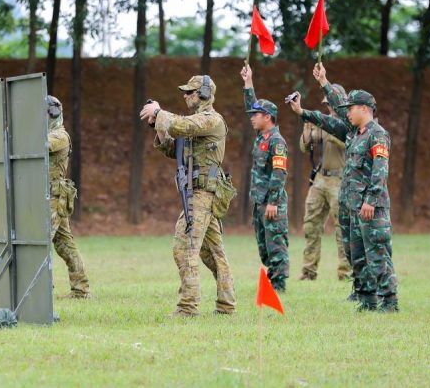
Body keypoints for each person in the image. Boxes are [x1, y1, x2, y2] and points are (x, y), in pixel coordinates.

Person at [287, 63, 399, 312]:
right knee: (355, 253)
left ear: (363, 109)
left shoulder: (376, 135)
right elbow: (327, 120)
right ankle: (367, 299)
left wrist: (371, 200)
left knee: (377, 253)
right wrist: (302, 111)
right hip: (351, 205)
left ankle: (389, 300)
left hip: (370, 207)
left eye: (350, 109)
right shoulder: (353, 133)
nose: (345, 112)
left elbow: (381, 171)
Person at [139, 75, 236, 317]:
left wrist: (159, 112)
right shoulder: (194, 122)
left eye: (190, 92)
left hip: (203, 193)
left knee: (184, 248)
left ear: (204, 94)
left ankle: (188, 307)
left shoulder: (210, 119)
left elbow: (182, 126)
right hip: (199, 193)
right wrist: (159, 127)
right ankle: (226, 305)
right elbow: (174, 148)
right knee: (212, 253)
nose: (185, 95)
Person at [240, 64, 289, 293]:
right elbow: (252, 104)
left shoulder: (276, 141)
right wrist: (248, 82)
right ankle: (271, 280)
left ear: (267, 117)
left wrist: (273, 202)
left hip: (271, 202)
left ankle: (278, 285)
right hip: (260, 201)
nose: (252, 118)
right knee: (263, 246)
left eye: (256, 115)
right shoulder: (262, 137)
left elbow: (279, 174)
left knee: (275, 243)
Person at [299, 97, 351, 281]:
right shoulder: (323, 122)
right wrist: (307, 130)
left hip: (340, 179)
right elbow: (304, 147)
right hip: (321, 178)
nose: (329, 107)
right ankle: (308, 271)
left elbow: (349, 144)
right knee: (311, 225)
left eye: (331, 104)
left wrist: (331, 131)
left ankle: (346, 272)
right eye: (326, 105)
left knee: (343, 228)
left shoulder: (349, 124)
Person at [47, 96, 91, 299]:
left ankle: (43, 289)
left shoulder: (59, 136)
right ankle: (81, 290)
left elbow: (40, 145)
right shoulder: (51, 133)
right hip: (49, 196)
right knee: (64, 244)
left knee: (41, 242)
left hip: (54, 197)